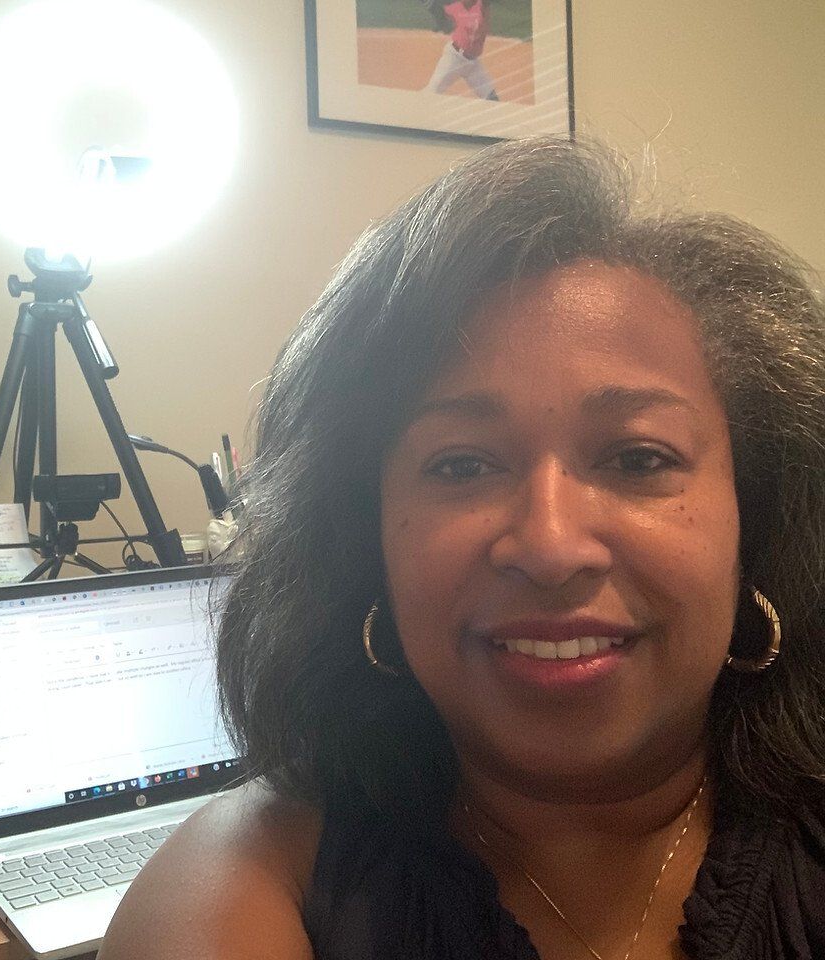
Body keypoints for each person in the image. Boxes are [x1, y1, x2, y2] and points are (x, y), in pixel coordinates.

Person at [100, 138, 825, 960]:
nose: (551, 548)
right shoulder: (257, 888)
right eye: (462, 464)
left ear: (755, 518)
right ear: (363, 534)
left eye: (637, 459)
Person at [424, 0, 500, 100]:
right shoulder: (458, 7)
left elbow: (482, 27)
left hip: (473, 64)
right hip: (454, 59)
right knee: (432, 92)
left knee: (491, 98)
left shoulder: (482, 9)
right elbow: (443, 16)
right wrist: (440, 19)